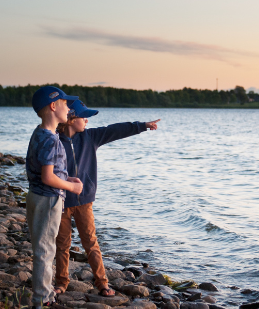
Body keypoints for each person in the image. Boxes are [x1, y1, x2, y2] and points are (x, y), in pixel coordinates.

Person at [53, 100, 160, 297]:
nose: (86, 120)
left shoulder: (91, 137)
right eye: (83, 117)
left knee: (91, 243)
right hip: (61, 201)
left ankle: (102, 283)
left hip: (84, 201)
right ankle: (61, 282)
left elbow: (115, 130)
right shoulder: (54, 140)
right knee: (62, 244)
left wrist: (142, 126)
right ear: (70, 119)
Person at [25, 86, 84, 307]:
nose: (69, 108)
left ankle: (45, 293)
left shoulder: (40, 133)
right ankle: (42, 299)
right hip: (48, 199)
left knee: (43, 247)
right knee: (45, 250)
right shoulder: (50, 139)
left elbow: (45, 169)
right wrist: (71, 187)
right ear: (53, 106)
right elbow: (48, 177)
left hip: (36, 195)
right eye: (66, 104)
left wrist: (68, 177)